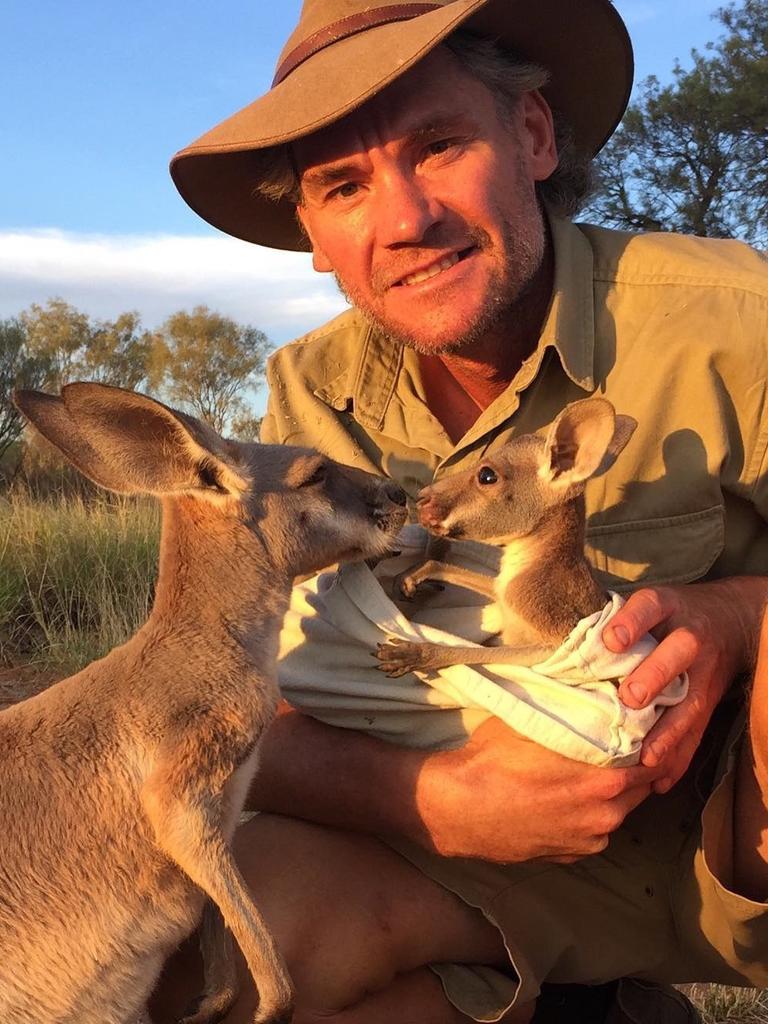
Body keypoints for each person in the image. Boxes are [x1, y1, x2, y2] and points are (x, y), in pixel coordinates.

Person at [157, 1, 768, 1022]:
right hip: (469, 859)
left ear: (531, 135)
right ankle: (589, 1003)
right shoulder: (310, 398)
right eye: (343, 185)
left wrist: (738, 616)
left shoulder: (729, 319)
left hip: (724, 840)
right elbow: (239, 702)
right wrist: (439, 802)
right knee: (211, 967)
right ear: (312, 233)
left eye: (438, 146)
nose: (404, 220)